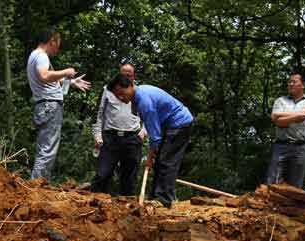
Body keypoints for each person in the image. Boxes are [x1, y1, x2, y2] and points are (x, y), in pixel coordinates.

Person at [108, 75, 193, 207]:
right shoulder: (138, 96)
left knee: (166, 161)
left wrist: (149, 157)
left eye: (121, 93)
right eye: (116, 95)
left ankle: (164, 199)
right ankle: (156, 196)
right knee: (161, 161)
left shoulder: (144, 101)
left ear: (130, 86)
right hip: (170, 125)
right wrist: (153, 157)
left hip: (179, 124)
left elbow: (155, 136)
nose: (120, 98)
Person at [27, 29, 91, 180]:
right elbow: (44, 75)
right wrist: (66, 72)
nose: (58, 48)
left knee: (44, 148)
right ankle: (36, 188)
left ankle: (38, 185)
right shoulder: (42, 56)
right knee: (47, 150)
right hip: (50, 106)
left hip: (43, 106)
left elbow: (48, 77)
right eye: (58, 44)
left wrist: (72, 82)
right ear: (52, 41)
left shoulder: (34, 55)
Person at [90, 62, 146, 196]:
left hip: (132, 138)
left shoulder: (139, 92)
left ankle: (128, 208)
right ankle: (95, 203)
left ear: (134, 76)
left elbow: (148, 114)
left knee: (129, 177)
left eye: (129, 74)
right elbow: (98, 113)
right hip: (110, 137)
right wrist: (97, 135)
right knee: (103, 174)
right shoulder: (107, 90)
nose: (126, 77)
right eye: (124, 74)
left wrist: (144, 131)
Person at [266, 72, 305, 188]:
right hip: (281, 146)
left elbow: (302, 116)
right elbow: (277, 121)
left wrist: (280, 115)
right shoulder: (280, 101)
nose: (290, 84)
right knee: (273, 183)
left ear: (303, 84)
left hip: (301, 148)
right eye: (289, 82)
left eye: (294, 82)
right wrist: (296, 116)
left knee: (295, 188)